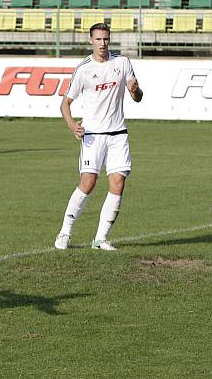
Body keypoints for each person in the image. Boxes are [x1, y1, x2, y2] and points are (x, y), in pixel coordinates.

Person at [54, 23, 143, 251]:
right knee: (88, 183)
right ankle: (65, 232)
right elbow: (65, 104)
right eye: (98, 39)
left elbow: (138, 97)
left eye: (105, 39)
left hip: (118, 134)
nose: (102, 43)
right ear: (90, 40)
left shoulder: (122, 63)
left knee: (118, 182)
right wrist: (72, 125)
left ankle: (100, 239)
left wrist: (134, 90)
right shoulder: (83, 69)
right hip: (93, 135)